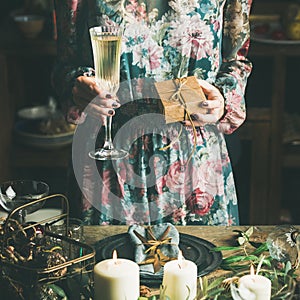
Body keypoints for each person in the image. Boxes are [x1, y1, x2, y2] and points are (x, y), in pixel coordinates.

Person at [52, 0, 252, 226]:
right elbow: (65, 63)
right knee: (103, 259)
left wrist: (223, 99)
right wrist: (76, 85)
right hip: (108, 154)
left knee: (199, 258)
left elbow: (236, 60)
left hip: (195, 162)